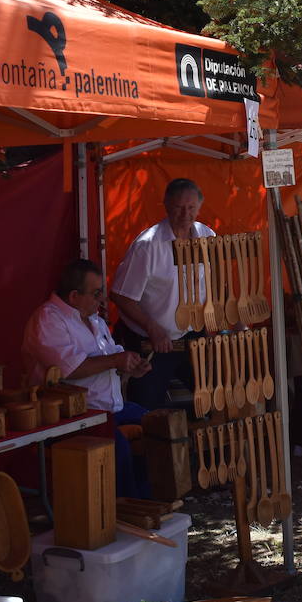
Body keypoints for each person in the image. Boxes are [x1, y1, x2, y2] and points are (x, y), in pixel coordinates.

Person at [22, 259, 154, 497]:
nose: (102, 299)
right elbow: (68, 369)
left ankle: (151, 502)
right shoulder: (48, 320)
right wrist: (116, 361)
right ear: (73, 296)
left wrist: (130, 366)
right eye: (95, 293)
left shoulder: (94, 319)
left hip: (110, 409)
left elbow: (112, 357)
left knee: (160, 426)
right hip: (73, 417)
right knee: (118, 449)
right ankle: (124, 512)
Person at [111, 179, 214, 409]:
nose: (185, 214)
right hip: (149, 343)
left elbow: (211, 286)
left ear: (199, 207)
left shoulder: (208, 238)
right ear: (166, 206)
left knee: (211, 397)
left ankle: (196, 443)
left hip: (190, 337)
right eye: (178, 207)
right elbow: (120, 296)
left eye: (191, 208)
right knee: (147, 410)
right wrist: (153, 328)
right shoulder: (148, 246)